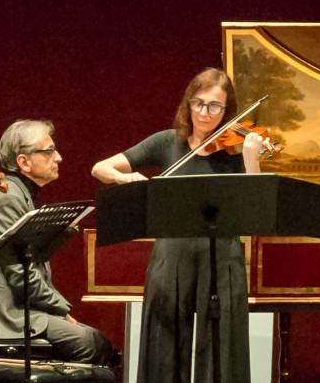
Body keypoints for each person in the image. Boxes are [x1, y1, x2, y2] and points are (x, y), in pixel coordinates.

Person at [91, 68, 264, 383]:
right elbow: (99, 168)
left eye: (214, 106)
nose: (203, 113)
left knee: (223, 344)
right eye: (198, 103)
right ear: (188, 102)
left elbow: (254, 210)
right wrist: (124, 177)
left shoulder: (236, 148)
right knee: (164, 340)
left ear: (228, 111)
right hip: (172, 255)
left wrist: (252, 157)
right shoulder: (166, 142)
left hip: (221, 256)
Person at [0, 119, 114, 364]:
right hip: (4, 315)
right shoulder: (7, 198)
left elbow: (30, 263)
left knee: (97, 343)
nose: (59, 157)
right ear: (24, 162)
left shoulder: (18, 194)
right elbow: (21, 274)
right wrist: (61, 310)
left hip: (20, 311)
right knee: (93, 344)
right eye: (49, 150)